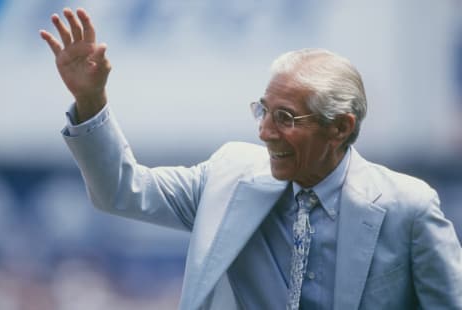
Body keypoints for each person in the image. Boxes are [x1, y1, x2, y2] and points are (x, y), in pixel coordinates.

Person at [40, 8, 462, 310]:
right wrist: (90, 101)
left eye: (285, 118)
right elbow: (121, 190)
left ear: (341, 127)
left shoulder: (408, 207)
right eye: (262, 111)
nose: (264, 132)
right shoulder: (228, 176)